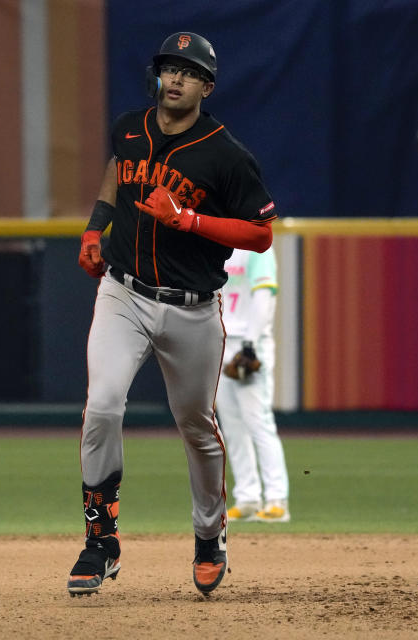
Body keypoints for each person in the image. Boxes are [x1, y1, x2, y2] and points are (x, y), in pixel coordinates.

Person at [68, 31, 277, 598]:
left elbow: (260, 234)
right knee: (102, 406)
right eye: (169, 68)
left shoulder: (225, 153)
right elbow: (119, 165)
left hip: (191, 308)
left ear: (206, 86)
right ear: (158, 76)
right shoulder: (130, 127)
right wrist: (96, 225)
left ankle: (210, 538)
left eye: (189, 71)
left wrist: (187, 220)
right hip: (124, 293)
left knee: (197, 428)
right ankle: (100, 540)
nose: (177, 77)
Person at [218, 247, 291, 523]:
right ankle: (248, 497)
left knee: (258, 421)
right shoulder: (220, 244)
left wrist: (250, 342)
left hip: (249, 343)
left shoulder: (258, 247)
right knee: (232, 425)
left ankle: (277, 499)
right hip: (223, 340)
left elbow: (264, 296)